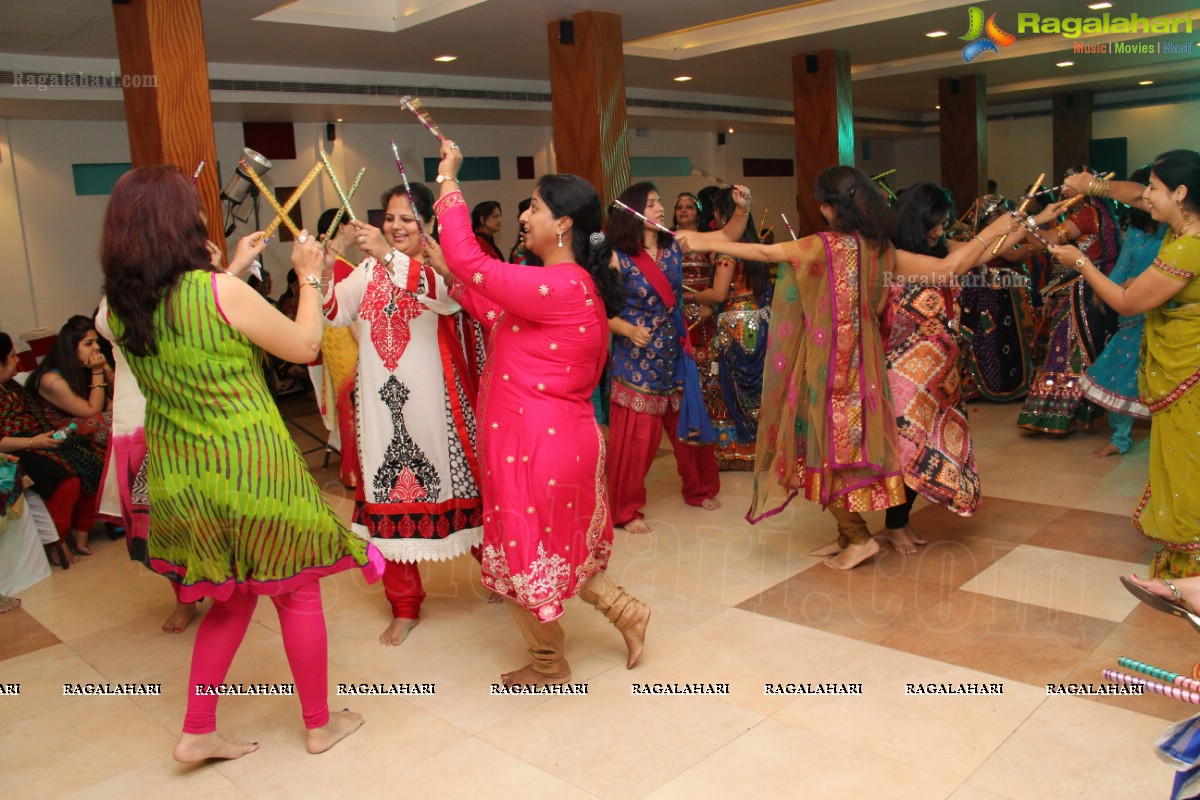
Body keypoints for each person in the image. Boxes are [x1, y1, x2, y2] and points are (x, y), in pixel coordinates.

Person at [100, 165, 380, 761]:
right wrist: (309, 277)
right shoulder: (220, 293)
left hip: (185, 476)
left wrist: (228, 269)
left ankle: (198, 729)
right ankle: (319, 726)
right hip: (250, 468)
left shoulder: (120, 310)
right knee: (298, 591)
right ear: (181, 226)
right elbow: (305, 346)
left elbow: (191, 324)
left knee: (231, 596)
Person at [681, 165, 1020, 569]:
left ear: (827, 208)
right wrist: (1004, 227)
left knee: (825, 450)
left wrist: (694, 239)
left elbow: (767, 252)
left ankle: (859, 538)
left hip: (829, 366)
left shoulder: (823, 246)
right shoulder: (879, 248)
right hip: (868, 362)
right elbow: (943, 270)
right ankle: (847, 534)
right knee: (839, 447)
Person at [428, 139, 650, 686]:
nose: (524, 217)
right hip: (553, 439)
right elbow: (495, 315)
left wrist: (449, 182)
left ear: (565, 224)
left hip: (536, 443)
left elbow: (469, 259)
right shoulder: (567, 288)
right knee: (558, 550)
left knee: (523, 556)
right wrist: (451, 271)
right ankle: (629, 613)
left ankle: (548, 663)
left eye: (533, 207)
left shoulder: (559, 283)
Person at [330, 182, 484, 646]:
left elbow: (443, 295)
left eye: (406, 219)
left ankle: (500, 576)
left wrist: (385, 255)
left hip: (438, 409)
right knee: (388, 504)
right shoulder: (367, 271)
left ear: (429, 225)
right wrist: (316, 268)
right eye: (390, 218)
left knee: (469, 494)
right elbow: (335, 312)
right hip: (381, 411)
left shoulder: (440, 267)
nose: (395, 227)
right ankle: (404, 605)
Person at [1046, 151, 1200, 614]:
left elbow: (1129, 302)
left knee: (1188, 468)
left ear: (1181, 193)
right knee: (1180, 464)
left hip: (1189, 371)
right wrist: (1092, 186)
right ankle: (1183, 569)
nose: (1145, 195)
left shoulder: (1189, 246)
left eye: (1155, 187)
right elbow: (1130, 193)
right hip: (1181, 364)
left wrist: (1081, 264)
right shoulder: (1182, 229)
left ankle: (1191, 576)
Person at [605, 181, 752, 533]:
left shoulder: (676, 243)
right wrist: (626, 329)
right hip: (636, 358)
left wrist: (743, 207)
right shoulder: (615, 255)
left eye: (660, 202)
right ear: (634, 212)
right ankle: (625, 509)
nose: (660, 209)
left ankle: (700, 488)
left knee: (689, 422)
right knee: (638, 440)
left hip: (675, 350)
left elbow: (728, 236)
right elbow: (599, 307)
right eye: (652, 203)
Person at [1017, 166, 1123, 434]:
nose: (1064, 188)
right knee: (1085, 350)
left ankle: (1055, 415)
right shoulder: (1105, 211)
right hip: (1096, 289)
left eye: (1071, 183)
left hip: (1080, 290)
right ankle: (1084, 414)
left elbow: (1049, 241)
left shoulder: (1087, 214)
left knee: (1065, 350)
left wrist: (1024, 222)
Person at [1077, 166, 1166, 457]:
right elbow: (1124, 265)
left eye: (1154, 189)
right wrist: (1107, 290)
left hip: (1164, 310)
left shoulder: (1174, 231)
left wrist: (1135, 284)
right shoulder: (1138, 231)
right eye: (1147, 189)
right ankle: (1120, 438)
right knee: (1121, 368)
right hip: (1131, 310)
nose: (1148, 196)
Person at [687, 186, 773, 471]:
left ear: (722, 214)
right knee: (756, 386)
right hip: (757, 320)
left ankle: (734, 450)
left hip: (733, 324)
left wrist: (691, 295)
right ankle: (760, 448)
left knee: (724, 386)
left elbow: (719, 294)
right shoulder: (753, 246)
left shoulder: (727, 252)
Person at [0, 332, 101, 565]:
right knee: (65, 481)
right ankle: (58, 542)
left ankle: (81, 530)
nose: (18, 361)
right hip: (16, 449)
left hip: (38, 440)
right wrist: (36, 442)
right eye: (12, 356)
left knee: (93, 458)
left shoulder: (11, 385)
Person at [314, 207, 362, 488]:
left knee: (349, 405)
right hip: (345, 341)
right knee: (351, 404)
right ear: (341, 227)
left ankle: (352, 470)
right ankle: (353, 471)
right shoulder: (337, 265)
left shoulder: (338, 262)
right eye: (352, 224)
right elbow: (350, 315)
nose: (357, 230)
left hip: (338, 340)